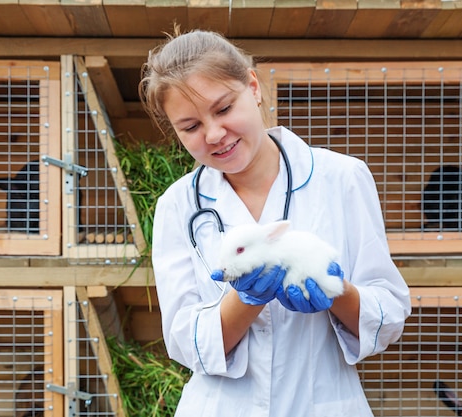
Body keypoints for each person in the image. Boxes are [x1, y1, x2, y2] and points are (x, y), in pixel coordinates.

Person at [139, 28, 411, 417]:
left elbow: (388, 314)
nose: (214, 134)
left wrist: (335, 291)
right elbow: (186, 343)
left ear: (253, 86)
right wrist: (247, 299)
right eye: (191, 127)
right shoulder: (177, 206)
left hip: (323, 403)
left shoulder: (342, 178)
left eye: (224, 109)